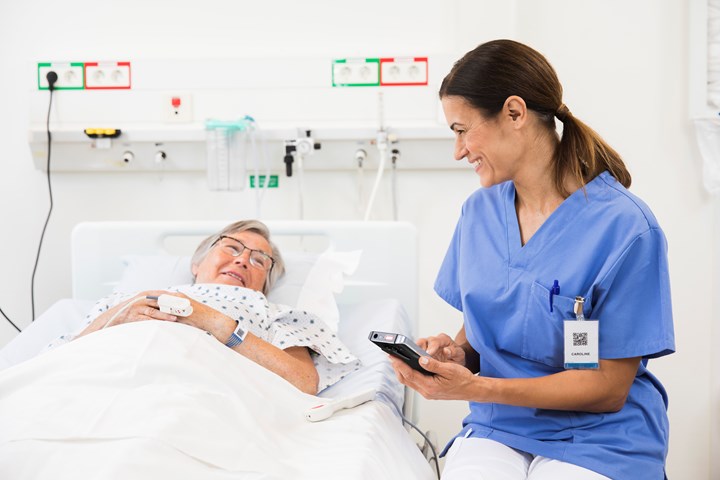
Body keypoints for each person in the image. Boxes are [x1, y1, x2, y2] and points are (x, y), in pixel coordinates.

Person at [389, 39, 675, 479]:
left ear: (515, 113)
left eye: (462, 130)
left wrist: (477, 386)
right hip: (499, 427)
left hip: (598, 435)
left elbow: (605, 388)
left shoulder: (625, 228)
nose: (458, 151)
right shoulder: (480, 212)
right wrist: (456, 356)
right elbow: (484, 329)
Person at [54, 219, 359, 394]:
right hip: (104, 383)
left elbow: (304, 382)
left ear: (265, 284)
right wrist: (118, 316)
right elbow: (63, 360)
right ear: (196, 264)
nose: (242, 260)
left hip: (200, 391)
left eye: (259, 260)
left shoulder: (274, 314)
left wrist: (213, 321)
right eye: (232, 248)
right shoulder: (124, 301)